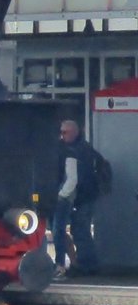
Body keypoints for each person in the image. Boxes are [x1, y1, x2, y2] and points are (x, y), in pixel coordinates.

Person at [53, 119, 100, 278]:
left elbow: (74, 179)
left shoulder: (76, 150)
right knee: (80, 230)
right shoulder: (83, 148)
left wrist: (62, 196)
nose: (62, 136)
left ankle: (86, 266)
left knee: (80, 230)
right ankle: (82, 264)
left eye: (64, 132)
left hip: (83, 197)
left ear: (74, 132)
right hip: (85, 195)